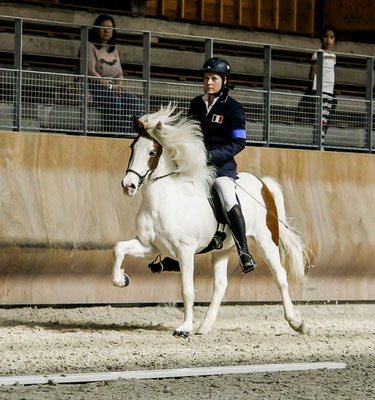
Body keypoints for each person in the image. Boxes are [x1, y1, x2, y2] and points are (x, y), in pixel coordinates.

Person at [86, 14, 141, 134]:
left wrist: (118, 85)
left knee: (134, 101)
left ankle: (127, 134)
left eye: (110, 28)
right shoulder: (89, 47)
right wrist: (108, 85)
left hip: (114, 88)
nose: (107, 31)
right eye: (103, 27)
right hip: (96, 86)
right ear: (96, 29)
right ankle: (113, 134)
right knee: (114, 101)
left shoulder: (113, 49)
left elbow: (120, 73)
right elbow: (90, 71)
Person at [308, 25, 337, 147]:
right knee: (319, 117)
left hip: (329, 90)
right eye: (326, 37)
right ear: (322, 38)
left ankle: (321, 142)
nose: (328, 40)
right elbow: (312, 73)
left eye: (331, 37)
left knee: (325, 118)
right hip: (320, 90)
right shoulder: (318, 54)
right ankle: (318, 143)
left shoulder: (333, 56)